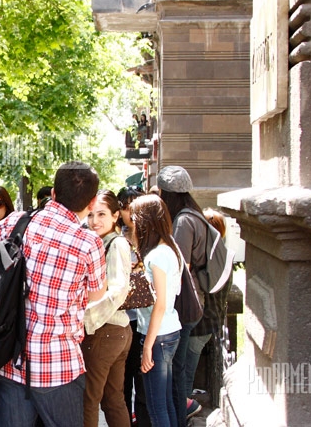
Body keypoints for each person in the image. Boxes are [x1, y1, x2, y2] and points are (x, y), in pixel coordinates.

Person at [0, 161, 107, 427]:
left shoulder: (18, 222)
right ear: (93, 202)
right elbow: (97, 294)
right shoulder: (89, 243)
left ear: (53, 194)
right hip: (59, 365)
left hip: (10, 360)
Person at [155, 166, 205, 427]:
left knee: (175, 371)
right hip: (190, 302)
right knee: (177, 367)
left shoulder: (184, 221)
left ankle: (178, 418)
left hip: (183, 305)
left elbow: (179, 266)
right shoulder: (194, 215)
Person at [130, 194, 183, 427]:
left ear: (145, 221)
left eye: (134, 219)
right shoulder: (169, 248)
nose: (132, 224)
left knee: (156, 407)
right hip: (170, 332)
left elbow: (160, 304)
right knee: (165, 403)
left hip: (158, 336)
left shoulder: (158, 255)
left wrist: (148, 346)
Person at [83, 190, 133, 427]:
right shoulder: (102, 241)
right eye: (91, 214)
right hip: (118, 330)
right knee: (113, 399)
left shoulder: (116, 243)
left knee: (89, 400)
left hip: (105, 330)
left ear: (115, 216)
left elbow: (118, 289)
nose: (95, 221)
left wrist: (87, 318)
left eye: (101, 214)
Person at [183, 210, 231, 419]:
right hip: (209, 322)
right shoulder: (222, 257)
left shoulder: (208, 260)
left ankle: (184, 409)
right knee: (186, 369)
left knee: (186, 372)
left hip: (199, 322)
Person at [116, 186, 148, 427]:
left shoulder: (153, 239)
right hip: (122, 321)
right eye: (127, 208)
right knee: (122, 383)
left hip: (147, 322)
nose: (132, 214)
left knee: (144, 382)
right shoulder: (116, 239)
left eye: (136, 207)